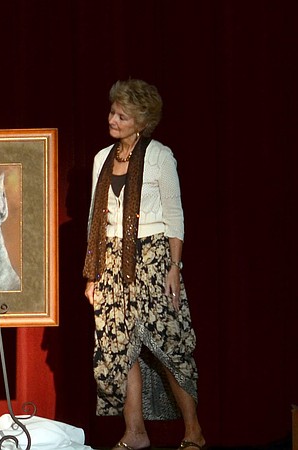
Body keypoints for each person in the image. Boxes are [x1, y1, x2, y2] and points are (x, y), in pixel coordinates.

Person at [82, 79, 205, 450]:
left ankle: (194, 431)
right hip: (111, 260)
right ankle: (135, 432)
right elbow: (94, 219)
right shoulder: (101, 159)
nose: (112, 119)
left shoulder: (160, 156)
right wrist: (92, 275)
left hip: (152, 257)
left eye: (122, 115)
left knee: (168, 344)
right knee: (122, 347)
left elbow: (175, 215)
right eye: (112, 112)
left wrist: (174, 267)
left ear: (141, 121)